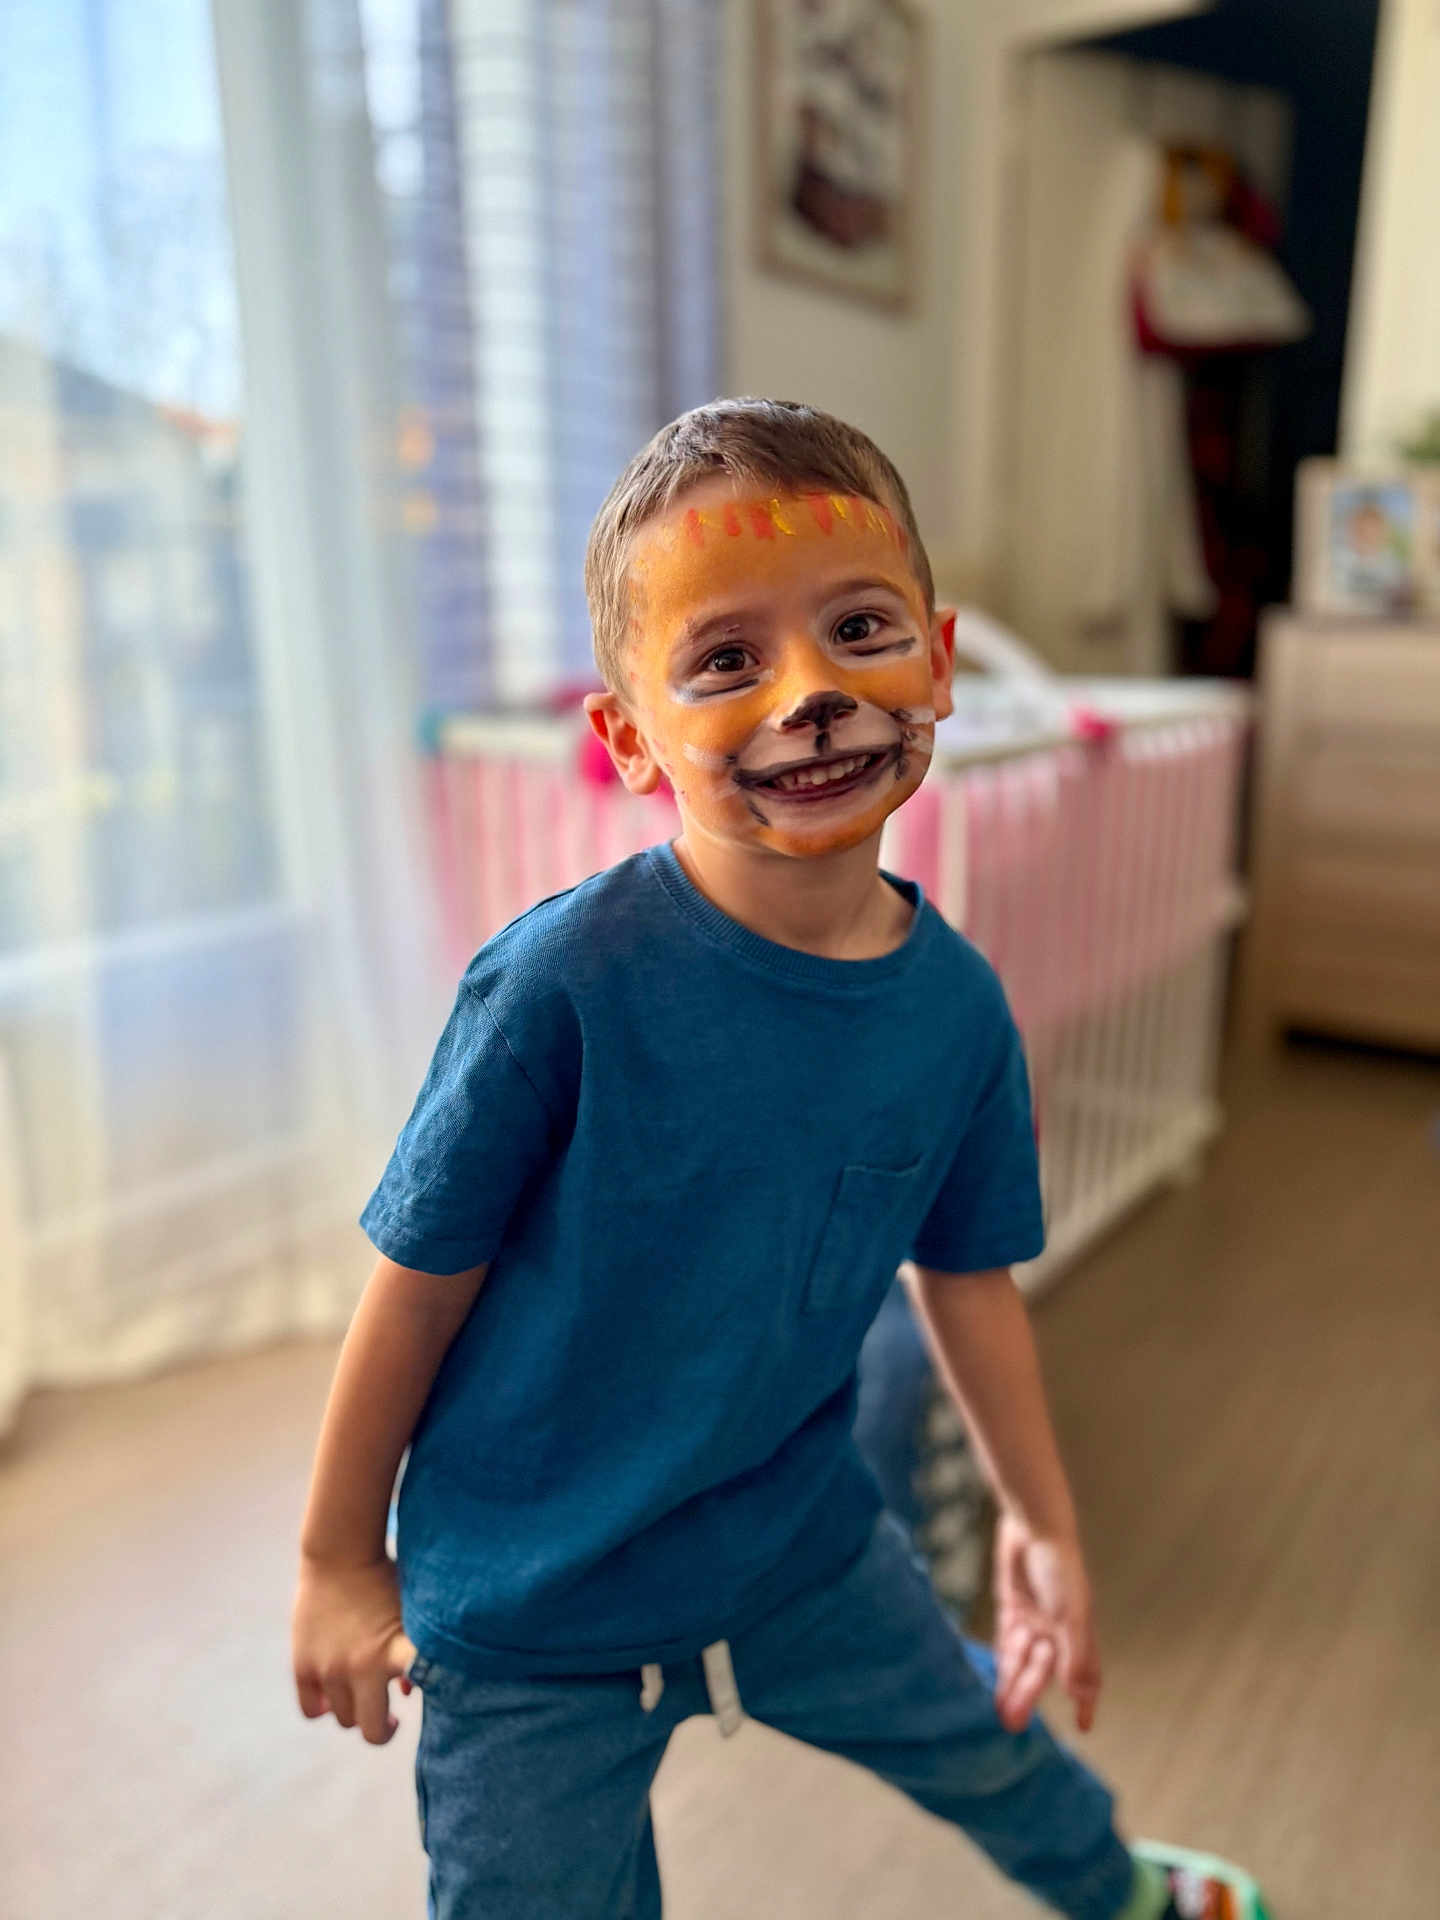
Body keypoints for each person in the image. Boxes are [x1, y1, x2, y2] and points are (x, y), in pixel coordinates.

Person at [291, 399, 1267, 1920]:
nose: (811, 695)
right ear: (629, 740)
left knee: (988, 1746)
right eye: (728, 661)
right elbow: (415, 1285)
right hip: (535, 1604)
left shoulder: (958, 1010)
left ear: (938, 662)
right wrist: (339, 1558)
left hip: (795, 1546)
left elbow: (969, 1284)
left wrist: (1041, 1519)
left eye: (860, 630)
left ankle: (1122, 1891)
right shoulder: (558, 987)